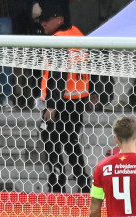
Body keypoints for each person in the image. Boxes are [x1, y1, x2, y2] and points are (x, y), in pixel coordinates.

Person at [38, 3, 91, 193]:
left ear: (59, 19)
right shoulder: (77, 33)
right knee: (72, 145)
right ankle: (84, 185)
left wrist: (51, 105)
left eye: (46, 19)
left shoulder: (58, 40)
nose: (42, 23)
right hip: (78, 99)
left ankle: (57, 187)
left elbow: (58, 75)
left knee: (53, 145)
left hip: (61, 103)